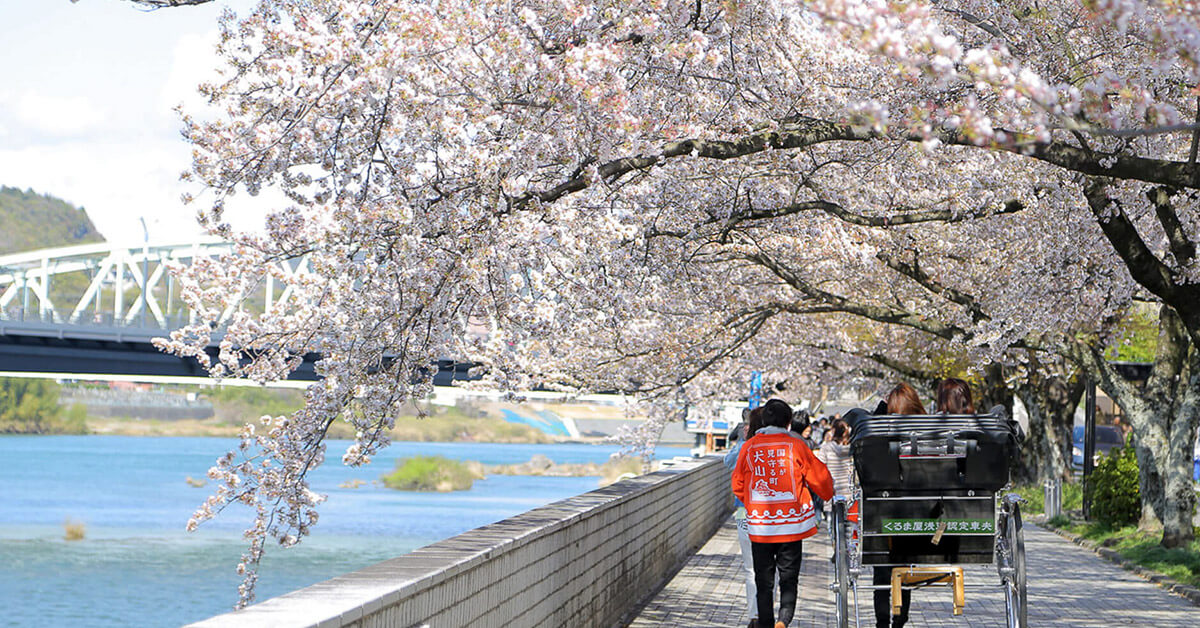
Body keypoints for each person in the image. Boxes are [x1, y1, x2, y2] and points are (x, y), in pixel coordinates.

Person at [732, 399, 834, 628]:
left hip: (760, 526)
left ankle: (766, 623)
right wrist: (828, 494)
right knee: (789, 579)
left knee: (763, 582)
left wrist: (752, 504)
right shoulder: (796, 446)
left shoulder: (750, 446)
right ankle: (783, 621)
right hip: (791, 526)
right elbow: (820, 479)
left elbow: (738, 484)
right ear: (788, 423)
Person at [871, 382, 928, 628]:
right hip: (924, 518)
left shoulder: (883, 435)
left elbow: (867, 434)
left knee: (883, 570)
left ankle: (883, 622)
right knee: (903, 568)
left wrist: (882, 407)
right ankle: (899, 620)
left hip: (886, 514)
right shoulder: (933, 432)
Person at [724, 407, 765, 628]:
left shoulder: (747, 447)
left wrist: (742, 441)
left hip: (746, 511)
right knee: (761, 566)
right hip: (758, 513)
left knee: (752, 566)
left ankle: (756, 615)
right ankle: (760, 613)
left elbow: (728, 463)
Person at [816, 418, 854, 517]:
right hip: (849, 489)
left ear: (834, 431)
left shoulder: (826, 448)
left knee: (832, 521)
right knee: (850, 520)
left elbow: (819, 467)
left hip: (832, 488)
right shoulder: (853, 448)